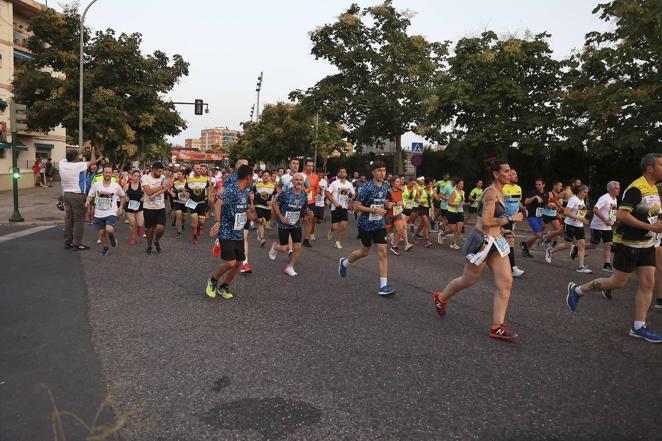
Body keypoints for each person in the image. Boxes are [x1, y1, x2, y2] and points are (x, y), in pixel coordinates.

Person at [566, 153, 662, 343]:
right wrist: (652, 227)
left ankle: (638, 326)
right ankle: (577, 290)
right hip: (628, 244)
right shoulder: (637, 188)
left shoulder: (653, 189)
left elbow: (650, 213)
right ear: (650, 168)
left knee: (648, 283)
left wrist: (656, 223)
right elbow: (623, 216)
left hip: (647, 245)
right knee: (618, 282)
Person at [432, 160, 523, 340]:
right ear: (496, 174)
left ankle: (497, 326)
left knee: (506, 282)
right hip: (481, 241)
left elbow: (491, 220)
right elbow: (487, 221)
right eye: (507, 171)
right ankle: (441, 297)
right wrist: (511, 218)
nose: (511, 175)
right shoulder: (490, 193)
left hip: (496, 241)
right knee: (468, 280)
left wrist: (503, 230)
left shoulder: (501, 192)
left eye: (511, 172)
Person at [338, 161, 396, 296]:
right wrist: (374, 210)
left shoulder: (386, 186)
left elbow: (383, 202)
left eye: (384, 170)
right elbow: (356, 206)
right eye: (379, 171)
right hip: (366, 224)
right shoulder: (367, 187)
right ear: (373, 172)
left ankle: (383, 286)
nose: (382, 173)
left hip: (380, 224)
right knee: (364, 252)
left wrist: (387, 204)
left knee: (383, 252)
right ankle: (344, 263)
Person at [206, 165, 256, 299]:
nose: (253, 179)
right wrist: (218, 222)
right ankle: (213, 280)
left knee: (239, 263)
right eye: (253, 176)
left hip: (238, 232)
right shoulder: (231, 190)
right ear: (248, 177)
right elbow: (218, 204)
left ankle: (224, 286)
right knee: (230, 262)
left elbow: (245, 210)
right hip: (227, 231)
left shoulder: (245, 192)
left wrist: (256, 219)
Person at [545, 184, 592, 273]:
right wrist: (579, 218)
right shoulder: (573, 199)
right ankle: (551, 251)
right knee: (567, 245)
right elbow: (566, 212)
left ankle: (581, 267)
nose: (586, 194)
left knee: (581, 245)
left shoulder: (582, 201)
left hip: (579, 226)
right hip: (570, 225)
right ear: (579, 192)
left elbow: (579, 214)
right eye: (584, 192)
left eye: (587, 192)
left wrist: (583, 219)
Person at [269, 173, 309, 276]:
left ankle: (290, 267)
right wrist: (281, 217)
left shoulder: (304, 194)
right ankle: (274, 247)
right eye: (296, 180)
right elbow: (275, 204)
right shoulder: (285, 193)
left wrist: (304, 215)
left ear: (303, 182)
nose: (298, 182)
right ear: (292, 182)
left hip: (296, 224)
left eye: (300, 180)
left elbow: (303, 207)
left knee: (298, 246)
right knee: (284, 249)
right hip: (284, 224)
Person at [61, 146, 97, 250]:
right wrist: (93, 151)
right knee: (79, 220)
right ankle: (77, 243)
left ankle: (68, 242)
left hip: (66, 194)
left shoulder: (62, 164)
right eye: (78, 156)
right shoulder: (79, 165)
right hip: (77, 195)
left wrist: (80, 150)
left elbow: (68, 157)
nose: (79, 157)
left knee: (69, 219)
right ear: (76, 158)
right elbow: (93, 161)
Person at [86, 165, 125, 256]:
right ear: (103, 173)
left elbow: (122, 196)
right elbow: (90, 195)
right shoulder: (96, 184)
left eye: (109, 172)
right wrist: (87, 201)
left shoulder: (116, 186)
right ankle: (105, 248)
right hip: (99, 213)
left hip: (111, 212)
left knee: (109, 229)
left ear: (112, 174)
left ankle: (111, 236)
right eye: (106, 172)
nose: (108, 174)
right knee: (101, 232)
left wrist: (121, 207)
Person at [586, 181, 620, 273]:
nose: (619, 190)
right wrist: (605, 220)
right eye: (617, 188)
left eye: (618, 188)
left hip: (607, 227)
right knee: (593, 245)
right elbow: (595, 209)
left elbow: (612, 211)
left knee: (608, 245)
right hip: (597, 226)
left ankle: (607, 264)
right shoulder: (605, 198)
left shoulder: (615, 199)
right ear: (611, 189)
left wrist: (613, 220)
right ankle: (577, 247)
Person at [141, 162, 170, 254]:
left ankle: (156, 240)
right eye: (159, 172)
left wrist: (157, 192)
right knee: (150, 230)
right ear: (153, 170)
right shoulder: (145, 178)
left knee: (161, 228)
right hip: (148, 207)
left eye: (161, 172)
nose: (160, 173)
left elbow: (166, 188)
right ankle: (149, 246)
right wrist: (161, 186)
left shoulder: (163, 177)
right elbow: (148, 192)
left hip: (160, 207)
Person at [503, 170, 525, 277]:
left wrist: (523, 209)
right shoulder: (503, 188)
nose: (517, 176)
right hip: (503, 219)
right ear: (508, 175)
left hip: (513, 220)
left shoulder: (518, 188)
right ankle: (512, 268)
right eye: (514, 174)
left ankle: (475, 254)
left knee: (502, 243)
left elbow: (517, 201)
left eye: (517, 174)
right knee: (510, 242)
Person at [326, 167, 355, 249]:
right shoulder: (334, 183)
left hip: (344, 208)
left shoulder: (349, 184)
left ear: (346, 174)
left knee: (344, 226)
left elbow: (353, 194)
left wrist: (351, 199)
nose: (342, 173)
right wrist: (335, 203)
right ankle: (331, 230)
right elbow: (327, 193)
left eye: (344, 172)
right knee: (335, 227)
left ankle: (338, 242)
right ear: (338, 174)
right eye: (341, 172)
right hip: (335, 208)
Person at [184, 164, 211, 245]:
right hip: (192, 203)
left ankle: (199, 227)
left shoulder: (205, 179)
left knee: (201, 221)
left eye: (200, 168)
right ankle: (194, 236)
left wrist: (209, 197)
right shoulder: (189, 180)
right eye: (197, 168)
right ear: (193, 170)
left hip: (202, 203)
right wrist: (186, 194)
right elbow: (185, 190)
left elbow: (209, 188)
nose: (199, 170)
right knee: (194, 220)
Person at [520, 179, 547, 258]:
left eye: (539, 184)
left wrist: (552, 206)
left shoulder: (545, 194)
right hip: (532, 216)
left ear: (543, 185)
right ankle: (524, 244)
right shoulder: (533, 193)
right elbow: (526, 202)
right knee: (538, 235)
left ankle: (526, 248)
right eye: (536, 184)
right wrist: (535, 197)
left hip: (540, 216)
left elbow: (545, 205)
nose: (537, 186)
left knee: (542, 230)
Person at [387, 176, 412, 254]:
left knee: (400, 229)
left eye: (400, 181)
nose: (400, 183)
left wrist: (402, 204)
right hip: (388, 214)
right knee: (386, 231)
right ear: (392, 183)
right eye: (397, 182)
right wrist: (395, 203)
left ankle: (394, 246)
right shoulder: (388, 192)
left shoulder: (400, 191)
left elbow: (400, 201)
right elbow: (386, 205)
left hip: (397, 213)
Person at [121, 170, 144, 245]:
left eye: (138, 176)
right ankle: (133, 237)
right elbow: (122, 194)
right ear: (131, 176)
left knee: (140, 223)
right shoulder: (127, 185)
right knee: (132, 223)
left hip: (139, 206)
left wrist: (143, 198)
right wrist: (125, 198)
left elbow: (146, 194)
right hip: (129, 206)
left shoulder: (142, 185)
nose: (136, 177)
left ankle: (139, 228)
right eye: (135, 176)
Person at [253, 169, 276, 247]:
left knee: (264, 222)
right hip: (259, 206)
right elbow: (252, 193)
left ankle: (259, 232)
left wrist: (272, 202)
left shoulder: (272, 186)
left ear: (269, 177)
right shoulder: (257, 185)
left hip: (268, 208)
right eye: (264, 176)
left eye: (267, 176)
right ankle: (262, 239)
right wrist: (252, 204)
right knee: (262, 221)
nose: (266, 177)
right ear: (261, 176)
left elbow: (275, 196)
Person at [302, 159, 319, 247]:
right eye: (309, 166)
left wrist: (317, 193)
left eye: (312, 166)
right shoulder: (301, 176)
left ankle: (306, 239)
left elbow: (317, 188)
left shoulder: (315, 177)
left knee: (310, 219)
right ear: (305, 166)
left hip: (311, 201)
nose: (310, 167)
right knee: (299, 220)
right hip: (300, 201)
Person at [447, 179, 466, 250]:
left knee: (458, 229)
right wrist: (458, 204)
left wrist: (464, 204)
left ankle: (454, 243)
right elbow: (449, 203)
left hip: (460, 212)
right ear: (457, 185)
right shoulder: (454, 193)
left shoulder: (463, 192)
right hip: (452, 212)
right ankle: (442, 234)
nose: (462, 185)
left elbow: (462, 202)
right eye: (460, 184)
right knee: (452, 229)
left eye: (462, 184)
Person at [170, 171, 188, 238]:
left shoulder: (187, 182)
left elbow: (191, 191)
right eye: (177, 174)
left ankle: (182, 224)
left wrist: (186, 194)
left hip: (185, 202)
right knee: (178, 216)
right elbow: (171, 189)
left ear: (183, 175)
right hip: (177, 201)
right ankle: (179, 232)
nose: (178, 175)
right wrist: (172, 193)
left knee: (184, 217)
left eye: (179, 174)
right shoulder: (175, 182)